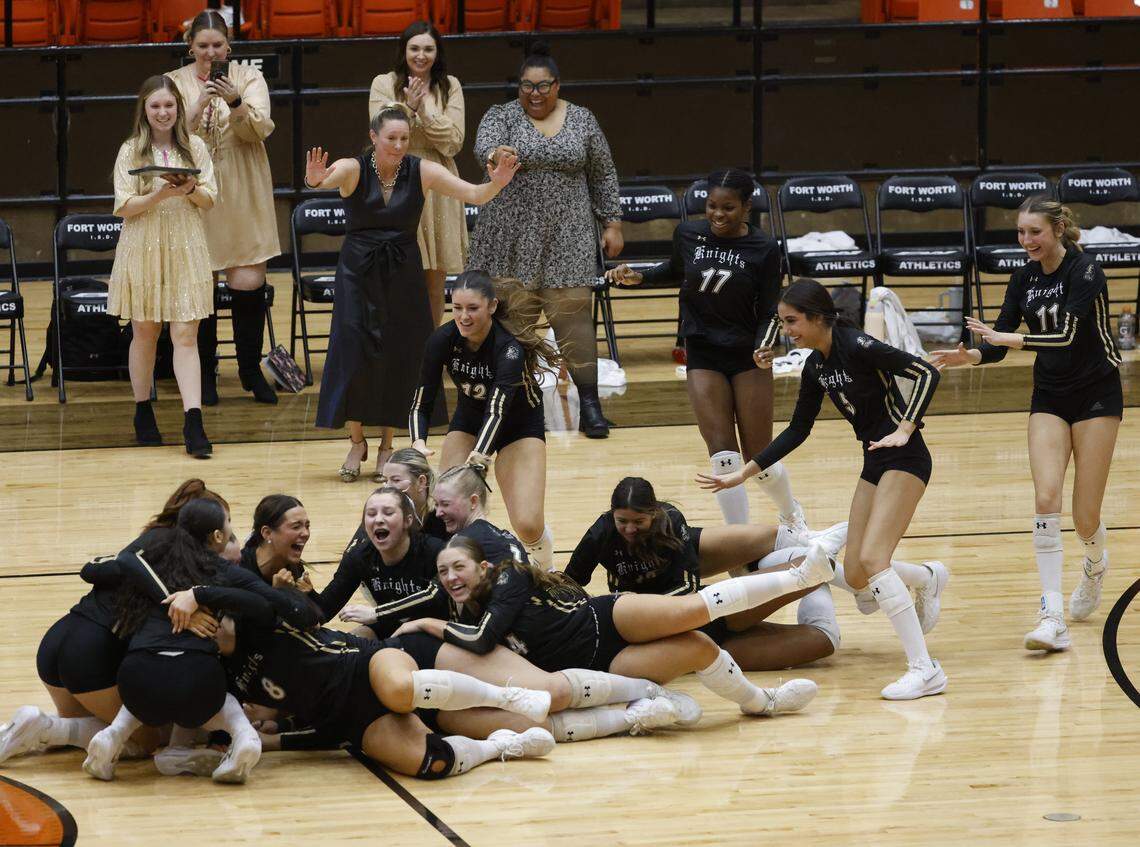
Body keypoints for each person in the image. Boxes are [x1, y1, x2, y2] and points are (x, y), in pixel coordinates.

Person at [699, 278, 948, 700]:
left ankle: (925, 670)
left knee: (873, 558)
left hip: (906, 459)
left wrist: (906, 429)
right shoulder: (817, 366)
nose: (787, 330)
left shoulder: (859, 346)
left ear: (817, 316)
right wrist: (744, 473)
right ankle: (925, 578)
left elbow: (924, 371)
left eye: (792, 321)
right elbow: (798, 429)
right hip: (875, 460)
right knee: (854, 572)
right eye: (782, 322)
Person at [931, 196, 1122, 653]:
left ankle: (1094, 564)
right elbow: (997, 340)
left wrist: (1008, 340)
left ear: (1058, 230)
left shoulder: (1086, 272)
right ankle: (1050, 613)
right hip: (1050, 395)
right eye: (1020, 232)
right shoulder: (1023, 277)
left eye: (1034, 232)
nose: (1026, 240)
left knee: (1084, 515)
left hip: (1097, 391)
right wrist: (972, 355)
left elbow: (1067, 335)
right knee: (1045, 497)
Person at [305, 107, 519, 482]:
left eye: (404, 138)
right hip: (358, 270)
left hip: (403, 270)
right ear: (374, 137)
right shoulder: (354, 168)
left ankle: (388, 445)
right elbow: (327, 178)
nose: (399, 145)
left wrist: (497, 182)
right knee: (352, 348)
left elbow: (473, 194)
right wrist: (316, 179)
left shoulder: (421, 170)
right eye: (391, 138)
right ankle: (356, 441)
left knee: (399, 354)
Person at [606, 169, 805, 529]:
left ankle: (792, 514)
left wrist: (765, 346)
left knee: (759, 457)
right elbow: (674, 271)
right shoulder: (688, 234)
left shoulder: (763, 248)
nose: (717, 214)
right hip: (702, 350)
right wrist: (640, 277)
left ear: (746, 208)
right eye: (711, 205)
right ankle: (739, 539)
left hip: (747, 355)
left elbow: (771, 308)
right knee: (723, 456)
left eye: (728, 207)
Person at [79, 498, 321, 783]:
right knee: (224, 699)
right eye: (228, 527)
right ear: (217, 536)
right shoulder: (225, 570)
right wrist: (211, 594)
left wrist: (188, 595)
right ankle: (244, 738)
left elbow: (103, 566)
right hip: (195, 681)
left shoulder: (153, 562)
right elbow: (269, 610)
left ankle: (112, 736)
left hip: (137, 678)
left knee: (151, 679)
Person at [0, 479, 228, 766]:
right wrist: (177, 602)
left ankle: (30, 727)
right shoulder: (173, 550)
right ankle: (41, 725)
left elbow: (93, 567)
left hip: (60, 637)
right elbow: (123, 562)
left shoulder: (152, 543)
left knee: (81, 728)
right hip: (90, 651)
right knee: (147, 740)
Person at [467, 42, 623, 438]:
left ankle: (589, 403)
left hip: (568, 232)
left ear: (557, 85)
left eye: (542, 86)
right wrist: (495, 155)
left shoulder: (583, 119)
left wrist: (612, 223)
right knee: (512, 318)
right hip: (510, 232)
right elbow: (484, 148)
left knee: (572, 316)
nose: (534, 94)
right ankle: (510, 402)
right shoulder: (501, 116)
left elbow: (603, 172)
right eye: (526, 86)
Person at [566, 477, 848, 671]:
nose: (629, 529)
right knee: (824, 641)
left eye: (638, 522)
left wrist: (642, 608)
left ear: (653, 513)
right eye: (622, 522)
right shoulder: (601, 533)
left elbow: (690, 588)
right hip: (705, 640)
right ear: (611, 515)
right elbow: (570, 582)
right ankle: (793, 563)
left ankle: (825, 563)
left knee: (803, 562)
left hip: (707, 610)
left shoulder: (670, 522)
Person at [168, 10, 281, 406]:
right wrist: (199, 102)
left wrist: (234, 102)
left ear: (229, 47)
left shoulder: (249, 77)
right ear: (190, 47)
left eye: (217, 45)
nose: (210, 52)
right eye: (202, 46)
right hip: (197, 185)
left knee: (248, 281)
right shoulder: (176, 82)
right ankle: (206, 371)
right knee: (201, 283)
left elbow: (259, 129)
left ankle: (250, 370)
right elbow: (171, 135)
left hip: (243, 182)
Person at [409, 272, 557, 566]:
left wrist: (480, 456)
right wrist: (417, 442)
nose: (464, 317)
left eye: (472, 308)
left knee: (527, 523)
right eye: (457, 308)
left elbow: (498, 410)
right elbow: (420, 401)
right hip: (470, 421)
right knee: (446, 509)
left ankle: (546, 568)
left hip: (519, 425)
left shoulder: (509, 348)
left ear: (491, 306)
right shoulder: (442, 339)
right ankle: (455, 574)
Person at [109, 75, 215, 457]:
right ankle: (142, 410)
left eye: (169, 105)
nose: (163, 112)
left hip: (186, 244)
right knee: (146, 332)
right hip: (143, 245)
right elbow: (123, 206)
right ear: (145, 110)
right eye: (155, 106)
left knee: (186, 335)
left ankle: (193, 421)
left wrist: (189, 189)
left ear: (178, 108)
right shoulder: (131, 150)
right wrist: (159, 192)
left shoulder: (196, 148)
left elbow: (209, 201)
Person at [369, 20, 467, 327]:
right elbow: (381, 131)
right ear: (404, 50)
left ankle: (430, 352)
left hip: (437, 181)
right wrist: (408, 110)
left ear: (437, 53)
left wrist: (424, 110)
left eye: (428, 49)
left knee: (434, 282)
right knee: (394, 277)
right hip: (394, 178)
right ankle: (396, 353)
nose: (421, 55)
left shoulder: (450, 85)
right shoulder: (383, 84)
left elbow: (453, 143)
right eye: (414, 48)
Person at [312, 487, 446, 640]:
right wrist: (303, 595)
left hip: (432, 628)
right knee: (350, 643)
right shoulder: (360, 556)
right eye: (371, 514)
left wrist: (376, 613)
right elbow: (325, 609)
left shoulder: (435, 551)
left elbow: (436, 598)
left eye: (388, 513)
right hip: (390, 624)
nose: (378, 519)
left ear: (408, 520)